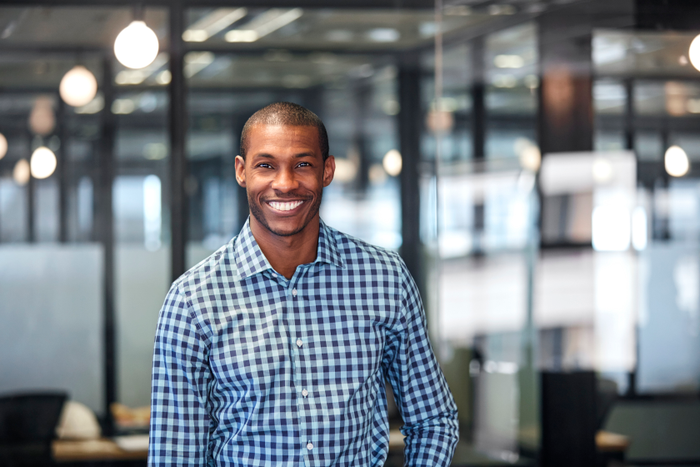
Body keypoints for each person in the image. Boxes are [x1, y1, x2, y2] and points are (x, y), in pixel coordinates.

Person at [149, 102, 458, 467]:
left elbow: (434, 421)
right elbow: (175, 456)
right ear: (241, 171)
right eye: (266, 165)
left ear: (327, 171)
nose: (285, 183)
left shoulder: (385, 278)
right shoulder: (192, 299)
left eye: (303, 164)